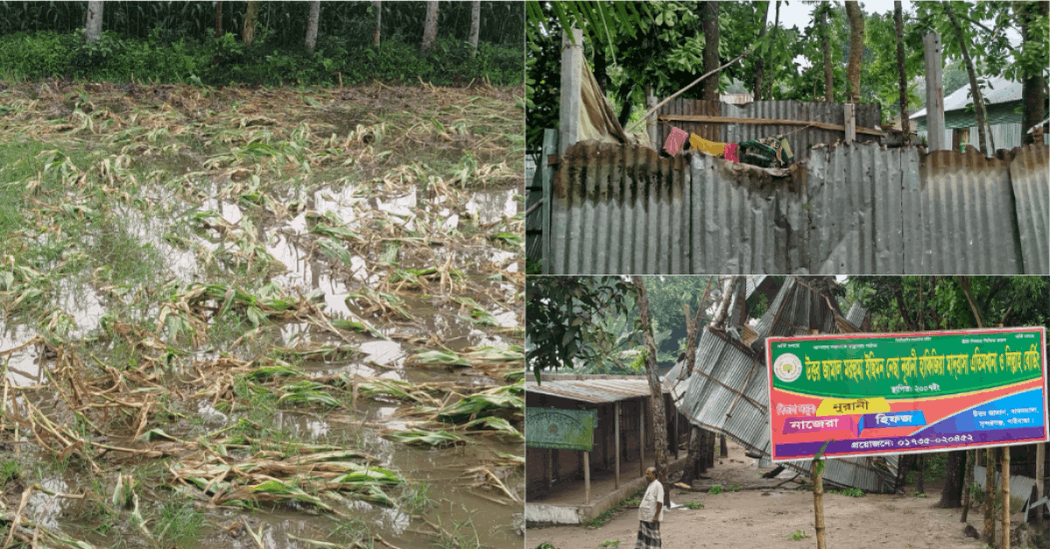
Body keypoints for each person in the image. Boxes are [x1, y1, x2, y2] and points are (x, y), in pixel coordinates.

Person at [636, 466, 664, 549]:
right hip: (645, 516)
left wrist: (656, 515)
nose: (646, 476)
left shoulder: (658, 485)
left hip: (651, 517)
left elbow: (660, 502)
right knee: (645, 537)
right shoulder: (651, 485)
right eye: (646, 474)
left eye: (648, 474)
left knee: (654, 536)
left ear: (654, 475)